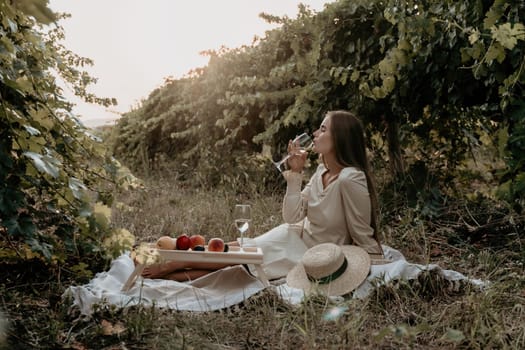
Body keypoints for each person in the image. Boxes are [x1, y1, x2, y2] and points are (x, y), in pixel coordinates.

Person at [139, 110, 385, 281]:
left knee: (240, 262)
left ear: (340, 137)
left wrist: (373, 263)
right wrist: (296, 174)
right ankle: (176, 262)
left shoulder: (350, 178)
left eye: (322, 129)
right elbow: (292, 217)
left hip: (312, 252)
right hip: (294, 234)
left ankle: (174, 268)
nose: (315, 134)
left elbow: (363, 233)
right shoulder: (322, 170)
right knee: (240, 247)